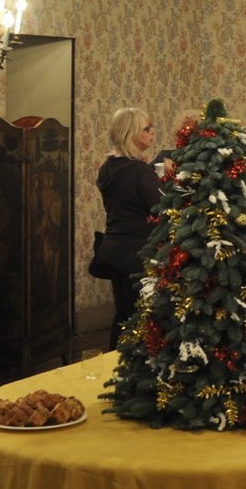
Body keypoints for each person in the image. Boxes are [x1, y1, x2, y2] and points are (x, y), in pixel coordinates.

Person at [95, 108, 162, 351]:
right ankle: (134, 373)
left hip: (111, 248)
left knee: (122, 315)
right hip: (135, 252)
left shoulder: (107, 167)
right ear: (131, 133)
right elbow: (161, 207)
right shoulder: (138, 171)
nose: (153, 132)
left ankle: (114, 365)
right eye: (146, 128)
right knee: (140, 317)